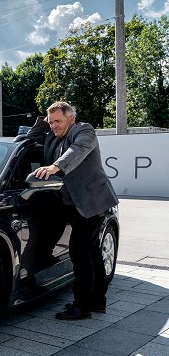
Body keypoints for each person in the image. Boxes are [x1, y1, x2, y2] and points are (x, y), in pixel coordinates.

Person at [28, 101, 118, 320]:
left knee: (79, 251)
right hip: (70, 203)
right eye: (51, 122)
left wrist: (54, 167)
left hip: (92, 201)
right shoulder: (51, 136)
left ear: (72, 118)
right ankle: (97, 301)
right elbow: (29, 138)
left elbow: (78, 151)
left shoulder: (84, 131)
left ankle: (82, 306)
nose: (54, 126)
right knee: (92, 251)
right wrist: (45, 120)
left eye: (58, 121)